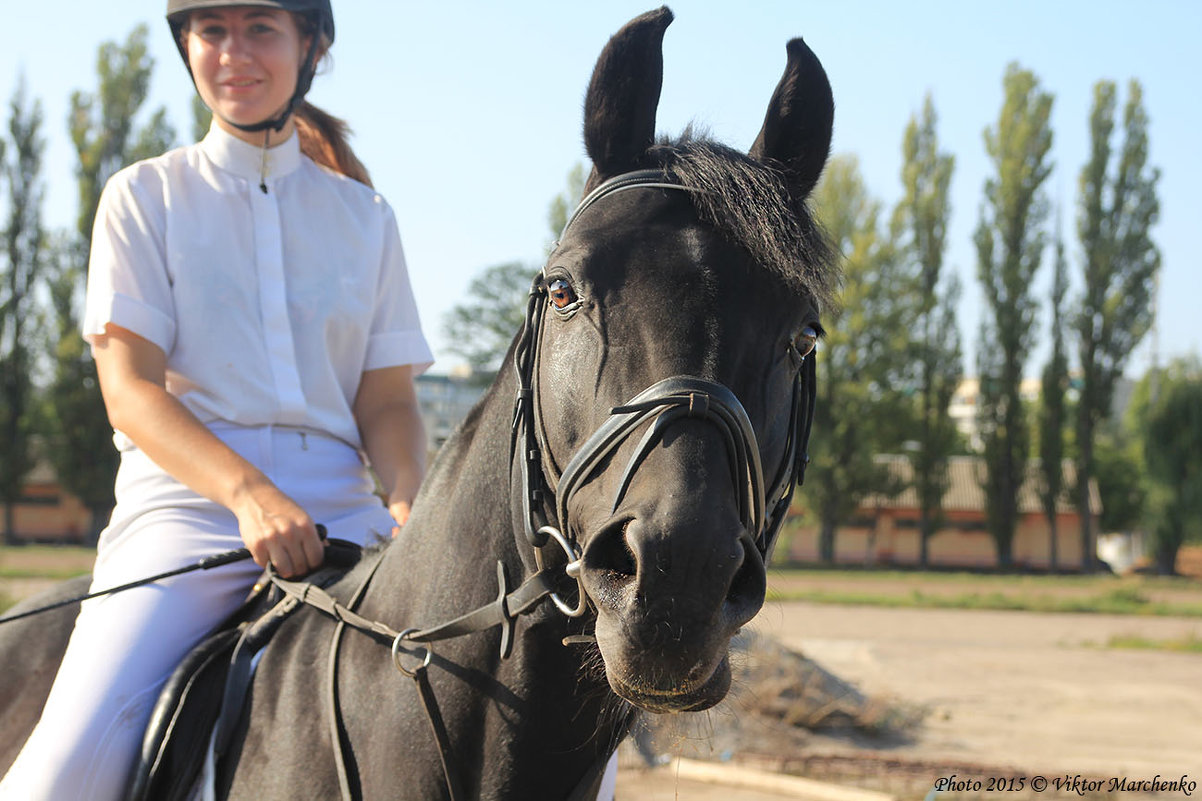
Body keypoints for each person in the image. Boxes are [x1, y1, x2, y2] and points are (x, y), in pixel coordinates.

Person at [0, 1, 431, 797]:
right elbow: (129, 390)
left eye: (260, 28)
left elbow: (388, 401)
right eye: (212, 31)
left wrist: (411, 500)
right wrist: (250, 493)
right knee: (54, 778)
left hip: (346, 509)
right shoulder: (142, 198)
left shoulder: (367, 218)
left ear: (312, 46)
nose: (234, 52)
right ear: (188, 46)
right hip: (187, 515)